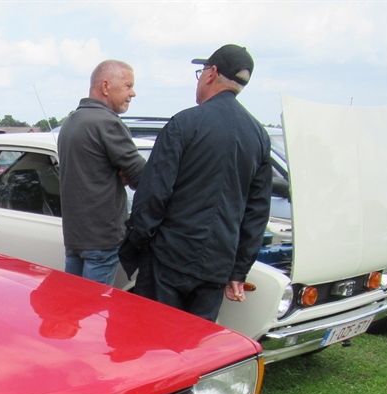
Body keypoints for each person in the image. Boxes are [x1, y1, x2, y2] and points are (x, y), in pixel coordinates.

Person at [121, 45, 272, 322]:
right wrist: (239, 269)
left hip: (168, 258)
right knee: (197, 341)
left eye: (201, 72)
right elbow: (257, 212)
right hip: (217, 264)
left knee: (152, 335)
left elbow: (153, 194)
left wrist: (139, 242)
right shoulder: (259, 136)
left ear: (211, 73)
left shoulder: (185, 123)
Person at [57, 60, 146, 285]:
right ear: (106, 86)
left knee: (72, 303)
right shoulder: (108, 123)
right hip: (102, 240)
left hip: (75, 238)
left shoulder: (71, 122)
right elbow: (144, 178)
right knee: (94, 305)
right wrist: (128, 175)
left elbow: (89, 173)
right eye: (128, 86)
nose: (133, 93)